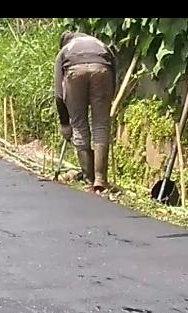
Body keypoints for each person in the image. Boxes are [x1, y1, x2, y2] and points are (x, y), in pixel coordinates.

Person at [53, 31, 116, 193]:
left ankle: (89, 179)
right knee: (101, 125)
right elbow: (114, 72)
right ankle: (100, 179)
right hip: (102, 70)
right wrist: (108, 98)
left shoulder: (65, 50)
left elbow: (59, 94)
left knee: (79, 125)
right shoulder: (101, 45)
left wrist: (65, 123)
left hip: (74, 72)